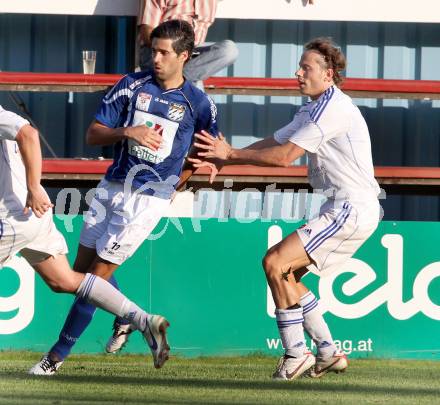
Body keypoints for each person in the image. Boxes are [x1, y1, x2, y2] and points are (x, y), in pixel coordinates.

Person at [29, 19, 219, 375]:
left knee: (94, 282)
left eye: (164, 53)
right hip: (111, 187)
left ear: (185, 56)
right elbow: (93, 134)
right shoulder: (132, 85)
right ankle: (134, 319)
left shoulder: (199, 103)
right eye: (153, 51)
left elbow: (209, 150)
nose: (156, 58)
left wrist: (183, 179)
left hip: (147, 200)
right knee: (81, 274)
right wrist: (126, 131)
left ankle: (53, 359)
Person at [190, 37, 381, 380]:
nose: (297, 73)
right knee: (288, 275)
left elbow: (283, 158)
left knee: (275, 262)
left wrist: (230, 155)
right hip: (343, 206)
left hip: (350, 207)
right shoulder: (313, 107)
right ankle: (327, 351)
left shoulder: (332, 108)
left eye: (306, 67)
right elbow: (276, 142)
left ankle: (296, 353)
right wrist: (228, 154)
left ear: (329, 74)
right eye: (299, 66)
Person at [0, 106, 170, 375]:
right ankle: (141, 319)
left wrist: (33, 187)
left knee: (75, 277)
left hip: (12, 218)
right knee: (64, 280)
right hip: (31, 216)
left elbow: (29, 134)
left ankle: (58, 356)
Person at [137, 0, 239, 84]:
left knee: (229, 50)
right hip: (161, 52)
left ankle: (178, 81)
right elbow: (146, 32)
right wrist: (170, 51)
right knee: (194, 98)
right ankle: (178, 84)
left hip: (190, 55)